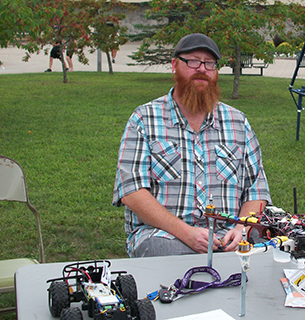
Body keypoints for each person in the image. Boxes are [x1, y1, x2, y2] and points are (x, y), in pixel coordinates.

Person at [113, 33, 271, 257]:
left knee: (272, 245)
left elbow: (256, 188)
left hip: (228, 236)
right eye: (193, 61)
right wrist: (186, 233)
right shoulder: (144, 119)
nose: (202, 69)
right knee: (166, 255)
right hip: (165, 235)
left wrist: (241, 229)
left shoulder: (237, 122)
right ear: (174, 66)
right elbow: (132, 191)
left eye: (209, 64)